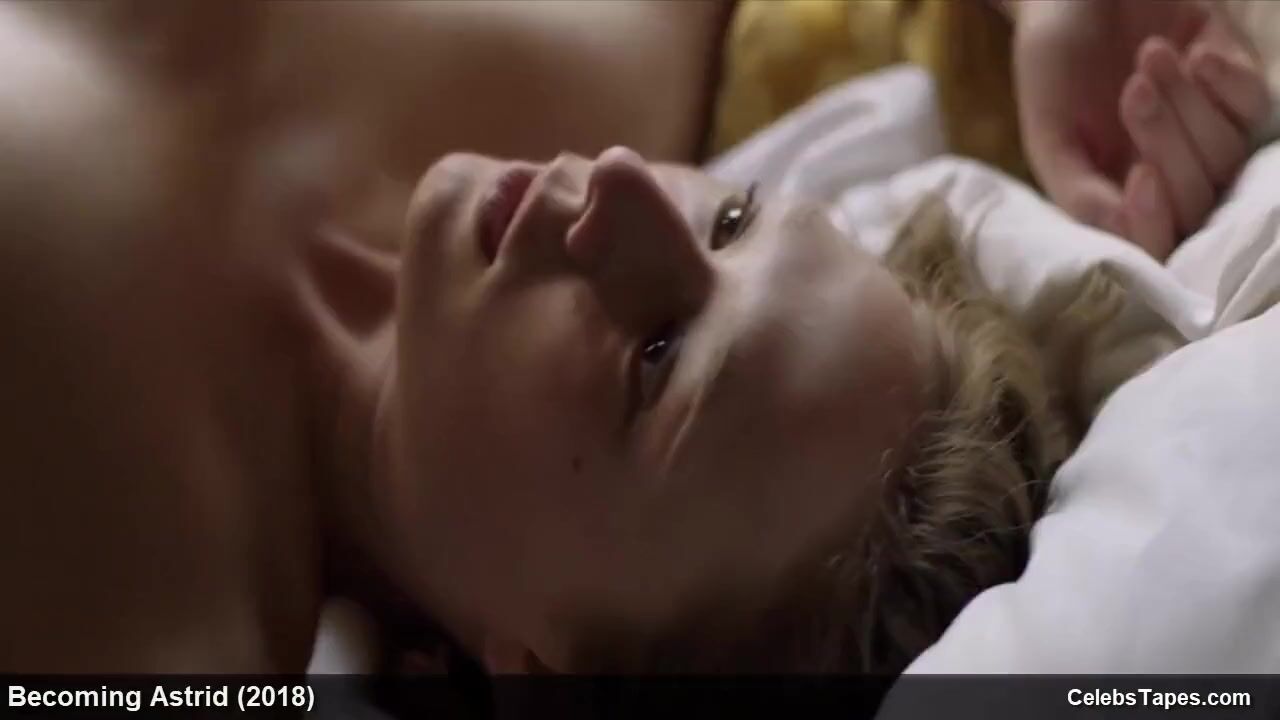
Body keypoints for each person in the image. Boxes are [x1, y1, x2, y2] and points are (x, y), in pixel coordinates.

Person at [0, 0, 1269, 679]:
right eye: (730, 220)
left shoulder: (122, 614)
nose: (618, 192)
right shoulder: (633, 44)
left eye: (656, 361)